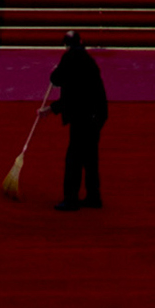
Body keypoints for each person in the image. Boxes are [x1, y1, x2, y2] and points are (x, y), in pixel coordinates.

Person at [50, 30, 110, 211]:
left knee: (74, 157)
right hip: (95, 113)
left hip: (83, 115)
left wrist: (56, 70)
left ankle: (71, 198)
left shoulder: (70, 58)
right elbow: (76, 93)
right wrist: (51, 109)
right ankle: (93, 196)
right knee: (90, 156)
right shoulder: (87, 59)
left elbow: (58, 81)